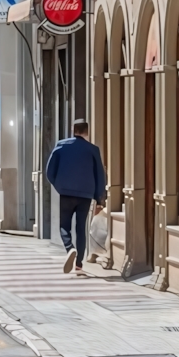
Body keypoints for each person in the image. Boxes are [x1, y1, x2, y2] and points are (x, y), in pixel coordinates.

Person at [45, 118, 107, 275]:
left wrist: (59, 185)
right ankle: (79, 264)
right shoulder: (93, 150)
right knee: (81, 228)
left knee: (64, 225)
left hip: (66, 192)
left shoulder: (61, 145)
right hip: (85, 194)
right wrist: (99, 196)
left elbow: (49, 171)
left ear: (73, 130)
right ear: (87, 132)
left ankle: (69, 248)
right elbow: (100, 174)